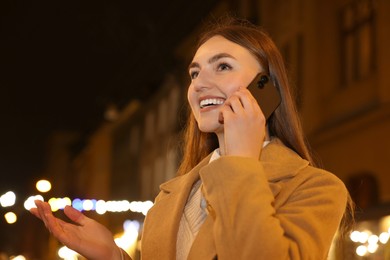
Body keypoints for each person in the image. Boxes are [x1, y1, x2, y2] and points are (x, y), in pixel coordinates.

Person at [30, 17, 352, 260]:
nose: (198, 85)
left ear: (265, 87)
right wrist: (114, 256)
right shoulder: (170, 196)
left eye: (222, 66)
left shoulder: (315, 188)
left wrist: (240, 162)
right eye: (195, 73)